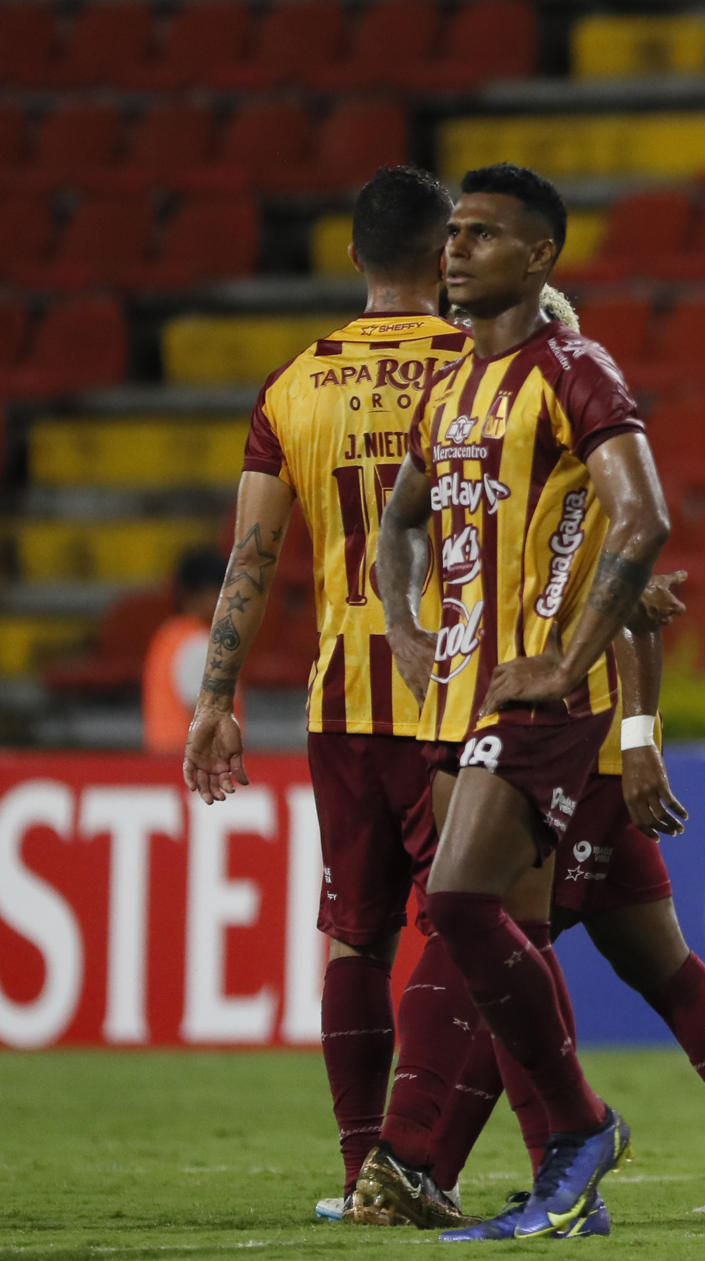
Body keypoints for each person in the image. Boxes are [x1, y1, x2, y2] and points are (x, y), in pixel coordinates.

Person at [420, 294, 705, 1207]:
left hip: (574, 756)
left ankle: (448, 1166)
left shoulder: (574, 448)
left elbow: (639, 605)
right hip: (556, 745)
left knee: (503, 949)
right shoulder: (493, 471)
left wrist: (638, 739)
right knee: (660, 970)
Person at [366, 162, 671, 1242]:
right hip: (457, 695)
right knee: (509, 931)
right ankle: (564, 1179)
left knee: (456, 907)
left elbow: (644, 521)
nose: (456, 250)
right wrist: (403, 625)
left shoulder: (576, 370)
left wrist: (565, 657)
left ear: (541, 258)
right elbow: (395, 525)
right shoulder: (448, 388)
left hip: (537, 698)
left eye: (485, 234)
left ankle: (582, 1132)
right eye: (453, 232)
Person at [180, 165, 470, 1222]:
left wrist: (218, 697)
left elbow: (251, 557)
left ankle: (361, 1173)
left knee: (357, 932)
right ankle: (416, 1156)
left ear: (351, 255)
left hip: (340, 697)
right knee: (470, 925)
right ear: (450, 253)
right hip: (455, 692)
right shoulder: (485, 368)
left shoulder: (294, 385)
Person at [148, 547, 230, 754]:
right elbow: (208, 720)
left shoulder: (169, 635)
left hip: (166, 760)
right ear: (196, 595)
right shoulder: (198, 644)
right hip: (195, 768)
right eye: (219, 592)